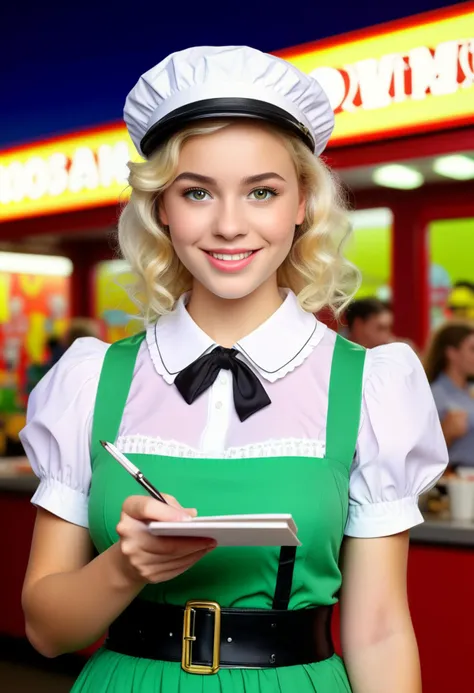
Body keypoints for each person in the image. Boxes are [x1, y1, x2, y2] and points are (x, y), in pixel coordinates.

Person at [19, 46, 447, 693]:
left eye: (262, 192)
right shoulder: (90, 379)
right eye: (197, 192)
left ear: (302, 202)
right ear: (163, 207)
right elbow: (48, 631)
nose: (228, 225)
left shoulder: (373, 384)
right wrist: (127, 564)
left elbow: (381, 628)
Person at [425, 322, 474, 468]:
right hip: (456, 479)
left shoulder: (469, 390)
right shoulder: (434, 395)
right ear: (451, 353)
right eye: (472, 349)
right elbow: (419, 453)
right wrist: (446, 433)